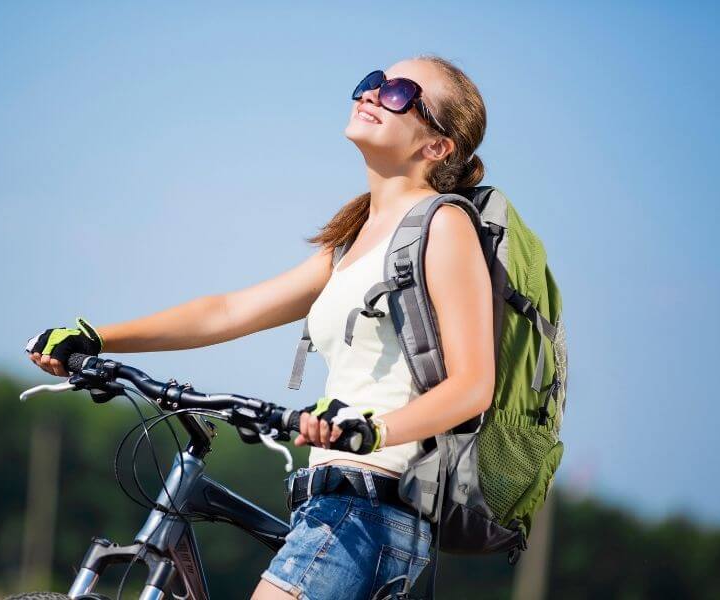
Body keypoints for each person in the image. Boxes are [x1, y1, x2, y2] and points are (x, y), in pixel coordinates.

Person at [25, 54, 494, 600]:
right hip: (333, 505)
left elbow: (473, 384)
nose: (371, 93)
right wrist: (100, 337)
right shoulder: (353, 238)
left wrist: (373, 428)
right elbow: (226, 311)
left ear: (436, 145)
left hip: (372, 508)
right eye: (372, 81)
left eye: (398, 92)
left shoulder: (446, 224)